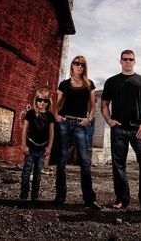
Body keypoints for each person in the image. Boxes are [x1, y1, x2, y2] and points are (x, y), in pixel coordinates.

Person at [101, 49, 141, 218]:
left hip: (138, 129)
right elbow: (104, 104)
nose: (127, 61)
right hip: (118, 128)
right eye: (125, 59)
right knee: (118, 165)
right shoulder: (111, 81)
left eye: (130, 59)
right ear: (120, 61)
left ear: (135, 61)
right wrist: (109, 120)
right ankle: (122, 199)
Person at [54, 55, 101, 209]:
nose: (79, 66)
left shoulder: (89, 84)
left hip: (81, 124)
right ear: (72, 66)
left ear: (84, 67)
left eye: (82, 64)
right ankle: (60, 195)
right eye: (76, 63)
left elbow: (93, 106)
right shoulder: (64, 84)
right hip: (65, 123)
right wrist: (57, 116)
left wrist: (89, 118)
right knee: (62, 160)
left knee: (85, 161)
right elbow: (57, 103)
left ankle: (89, 199)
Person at [20, 88, 54, 202]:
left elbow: (51, 133)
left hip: (42, 149)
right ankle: (23, 196)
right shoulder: (30, 113)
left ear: (48, 102)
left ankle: (35, 197)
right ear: (36, 99)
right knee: (26, 171)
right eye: (40, 100)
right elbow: (24, 130)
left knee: (38, 174)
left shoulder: (50, 115)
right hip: (30, 148)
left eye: (45, 101)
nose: (42, 103)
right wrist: (24, 145)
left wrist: (49, 148)